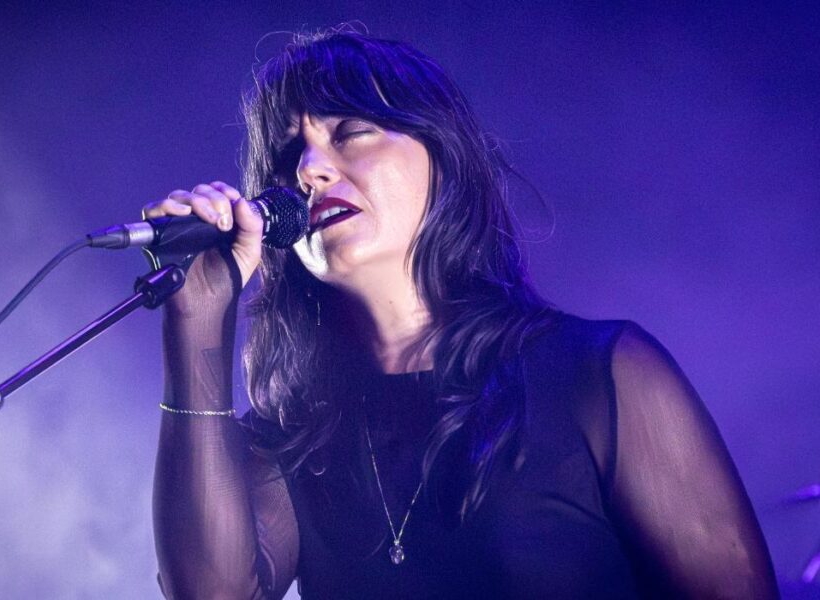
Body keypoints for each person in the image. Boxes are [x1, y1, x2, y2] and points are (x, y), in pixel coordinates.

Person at [146, 29, 778, 598]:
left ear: (441, 154)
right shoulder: (294, 436)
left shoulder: (599, 375)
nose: (309, 170)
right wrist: (196, 317)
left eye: (350, 131)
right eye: (290, 155)